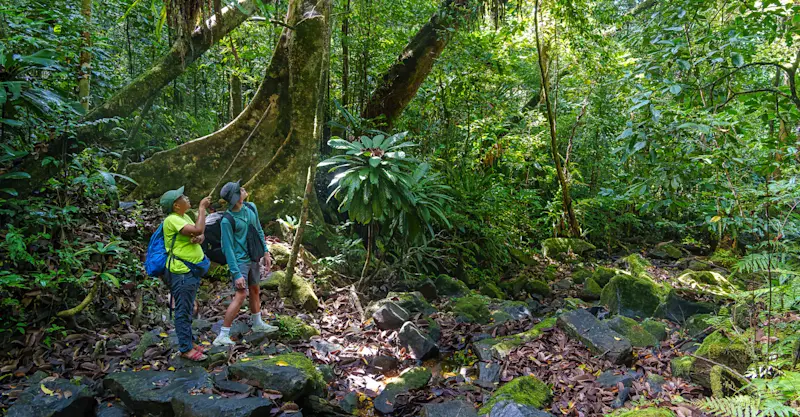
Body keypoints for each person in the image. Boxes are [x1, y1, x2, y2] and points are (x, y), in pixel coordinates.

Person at [213, 181, 277, 346]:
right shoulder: (227, 220)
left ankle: (257, 323)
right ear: (236, 197)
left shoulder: (250, 209)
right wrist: (236, 273)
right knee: (241, 294)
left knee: (255, 289)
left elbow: (259, 230)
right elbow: (227, 248)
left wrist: (266, 252)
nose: (243, 189)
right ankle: (223, 334)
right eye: (240, 189)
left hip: (253, 258)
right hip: (240, 262)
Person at [160, 186, 211, 361]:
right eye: (183, 197)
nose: (187, 198)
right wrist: (202, 209)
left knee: (189, 307)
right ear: (176, 205)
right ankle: (185, 349)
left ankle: (189, 341)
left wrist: (199, 238)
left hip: (190, 270)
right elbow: (197, 229)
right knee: (183, 309)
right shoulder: (172, 220)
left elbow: (199, 233)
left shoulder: (184, 217)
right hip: (181, 272)